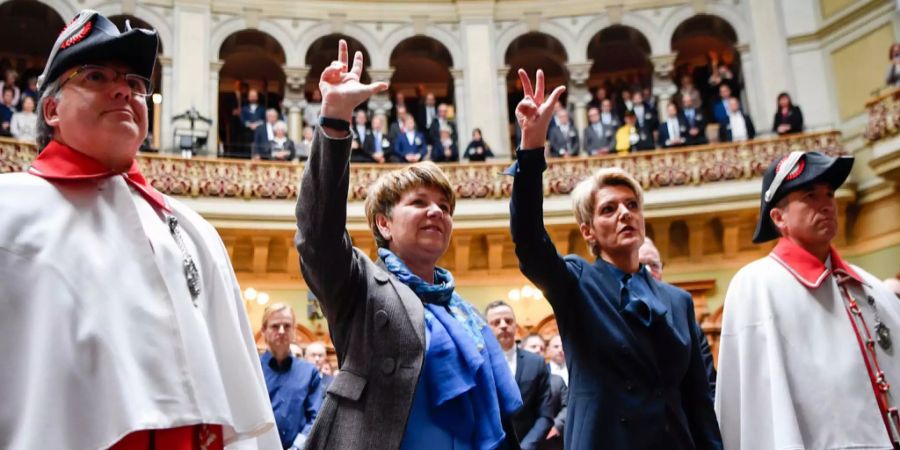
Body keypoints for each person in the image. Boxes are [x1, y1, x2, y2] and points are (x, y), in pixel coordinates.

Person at [0, 10, 278, 449]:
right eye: (95, 76)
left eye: (135, 84)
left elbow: (236, 413)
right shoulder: (6, 209)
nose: (123, 90)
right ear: (51, 108)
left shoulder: (193, 228)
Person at [295, 39, 522, 449]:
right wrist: (335, 121)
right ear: (383, 223)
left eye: (444, 207)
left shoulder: (462, 311)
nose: (436, 212)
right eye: (419, 203)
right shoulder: (360, 287)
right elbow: (318, 235)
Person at [509, 68, 722, 450]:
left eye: (631, 205)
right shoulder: (577, 284)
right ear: (588, 231)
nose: (624, 214)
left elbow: (698, 403)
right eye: (608, 209)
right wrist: (531, 148)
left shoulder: (678, 302)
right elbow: (529, 241)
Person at [715, 151, 900, 449]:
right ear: (778, 217)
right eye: (810, 195)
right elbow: (754, 412)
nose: (826, 204)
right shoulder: (757, 286)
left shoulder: (871, 287)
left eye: (829, 194)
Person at [486, 301, 554, 450]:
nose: (503, 325)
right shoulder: (479, 362)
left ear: (516, 325)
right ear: (487, 328)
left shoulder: (535, 362)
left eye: (508, 321)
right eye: (496, 322)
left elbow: (545, 414)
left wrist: (525, 447)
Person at [260, 303, 323, 450]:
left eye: (287, 326)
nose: (282, 331)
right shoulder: (252, 369)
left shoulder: (309, 372)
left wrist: (297, 447)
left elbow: (316, 418)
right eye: (275, 326)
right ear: (263, 330)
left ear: (294, 330)